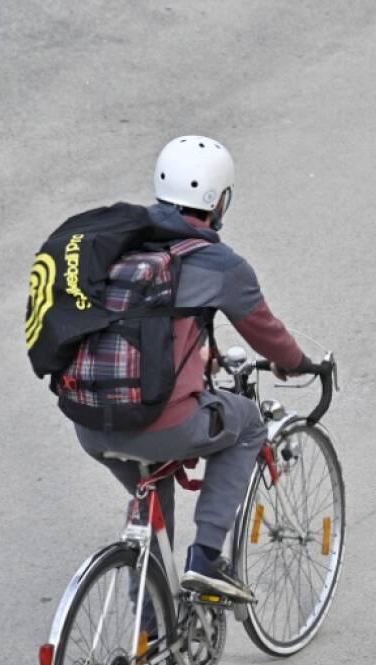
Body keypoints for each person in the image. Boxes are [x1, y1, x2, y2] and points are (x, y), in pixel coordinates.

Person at [74, 135, 308, 602]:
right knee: (248, 423)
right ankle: (205, 558)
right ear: (219, 200)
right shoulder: (218, 263)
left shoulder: (120, 244)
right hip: (163, 424)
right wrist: (298, 364)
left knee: (152, 497)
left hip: (89, 422)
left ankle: (150, 630)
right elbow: (266, 333)